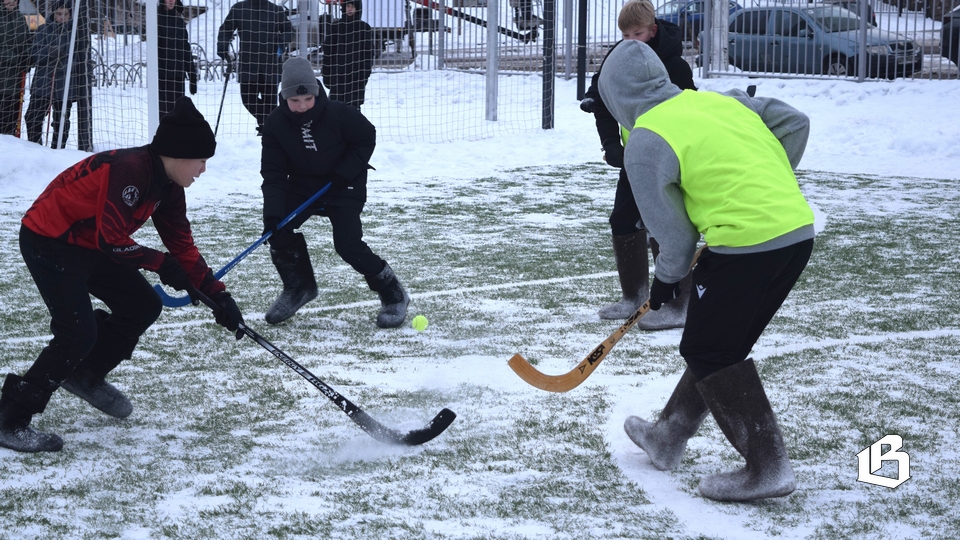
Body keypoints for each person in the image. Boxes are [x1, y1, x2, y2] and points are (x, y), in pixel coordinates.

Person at [598, 40, 814, 502]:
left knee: (708, 346)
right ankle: (669, 434)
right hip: (795, 232)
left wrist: (664, 282)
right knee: (721, 342)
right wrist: (771, 181)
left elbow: (674, 239)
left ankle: (767, 467)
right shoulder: (718, 100)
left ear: (617, 96)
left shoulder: (646, 140)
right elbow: (795, 122)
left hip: (748, 243)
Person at [0, 97, 245, 453]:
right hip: (49, 239)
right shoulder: (130, 170)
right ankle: (10, 418)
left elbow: (182, 246)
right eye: (201, 160)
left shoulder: (170, 188)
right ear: (177, 154)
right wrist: (161, 264)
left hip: (89, 245)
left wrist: (216, 295)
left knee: (142, 305)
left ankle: (85, 374)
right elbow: (112, 239)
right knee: (76, 333)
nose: (204, 169)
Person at [260, 57, 408, 328]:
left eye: (307, 99)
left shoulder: (340, 114)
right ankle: (299, 288)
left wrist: (345, 172)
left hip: (343, 182)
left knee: (347, 244)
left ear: (315, 92)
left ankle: (393, 293)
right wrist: (272, 214)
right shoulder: (275, 124)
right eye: (294, 101)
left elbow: (366, 137)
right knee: (278, 229)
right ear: (284, 98)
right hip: (304, 184)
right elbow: (274, 174)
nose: (302, 106)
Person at [580, 0, 697, 329]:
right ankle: (633, 296)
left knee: (667, 225)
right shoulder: (619, 59)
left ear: (653, 30)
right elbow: (601, 102)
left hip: (669, 160)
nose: (631, 40)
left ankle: (679, 303)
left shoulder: (673, 65)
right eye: (625, 34)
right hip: (636, 160)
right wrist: (611, 146)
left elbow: (691, 110)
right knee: (622, 220)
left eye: (638, 33)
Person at [24, 0, 94, 151]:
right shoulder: (43, 29)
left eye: (65, 14)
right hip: (43, 82)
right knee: (32, 118)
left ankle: (57, 150)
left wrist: (65, 62)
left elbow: (83, 58)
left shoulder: (77, 31)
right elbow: (34, 54)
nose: (61, 17)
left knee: (60, 121)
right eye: (58, 14)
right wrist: (49, 53)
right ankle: (37, 149)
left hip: (64, 84)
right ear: (53, 13)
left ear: (70, 14)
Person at [216, 0, 293, 132]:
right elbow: (226, 29)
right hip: (248, 64)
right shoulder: (239, 8)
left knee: (270, 103)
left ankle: (268, 130)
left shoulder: (275, 10)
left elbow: (288, 29)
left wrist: (281, 45)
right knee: (248, 100)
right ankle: (271, 124)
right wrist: (223, 49)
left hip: (270, 65)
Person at [320, 0, 374, 111]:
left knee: (353, 110)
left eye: (352, 6)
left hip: (356, 76)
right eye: (347, 6)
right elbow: (328, 51)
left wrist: (365, 75)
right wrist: (326, 73)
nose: (349, 9)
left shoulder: (364, 28)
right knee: (335, 109)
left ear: (357, 8)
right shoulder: (336, 27)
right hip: (337, 75)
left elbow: (368, 54)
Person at [157, 0, 197, 119]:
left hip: (178, 76)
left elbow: (185, 48)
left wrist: (192, 74)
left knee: (179, 113)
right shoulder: (156, 21)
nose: (171, 1)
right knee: (164, 114)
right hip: (162, 76)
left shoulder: (179, 22)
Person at [0, 0, 32, 136]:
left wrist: (28, 58)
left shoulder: (20, 19)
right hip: (2, 76)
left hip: (15, 79)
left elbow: (28, 42)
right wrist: (15, 58)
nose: (11, 2)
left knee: (11, 118)